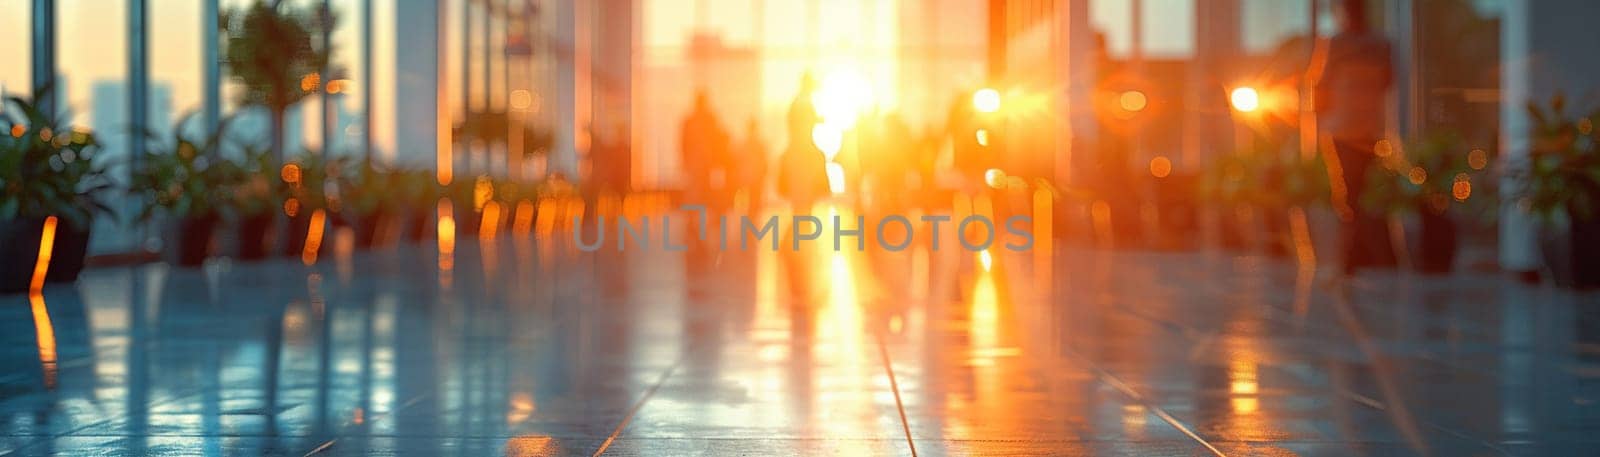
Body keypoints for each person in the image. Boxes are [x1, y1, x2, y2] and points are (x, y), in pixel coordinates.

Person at [1311, 0, 1395, 275]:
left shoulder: (1340, 43)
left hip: (1351, 129)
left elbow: (1321, 84)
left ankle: (1358, 254)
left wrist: (1319, 115)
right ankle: (1358, 254)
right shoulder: (1379, 44)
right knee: (1357, 190)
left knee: (1352, 192)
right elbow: (1386, 81)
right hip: (1361, 128)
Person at [777, 74, 829, 214]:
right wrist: (818, 120)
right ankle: (819, 191)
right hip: (803, 142)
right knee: (819, 159)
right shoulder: (803, 101)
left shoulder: (798, 100)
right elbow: (804, 120)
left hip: (797, 142)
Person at [736, 117, 769, 213]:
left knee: (749, 203)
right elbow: (764, 163)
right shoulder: (759, 145)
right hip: (755, 178)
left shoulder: (744, 145)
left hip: (748, 178)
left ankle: (749, 220)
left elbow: (738, 162)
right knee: (754, 203)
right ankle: (751, 220)